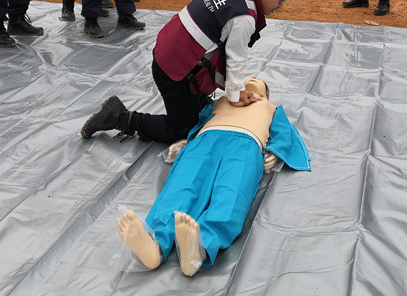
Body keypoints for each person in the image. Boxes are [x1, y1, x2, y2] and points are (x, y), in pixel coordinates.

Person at [115, 77, 310, 276]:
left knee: (232, 191)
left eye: (259, 81)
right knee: (182, 184)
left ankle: (200, 247)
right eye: (250, 77)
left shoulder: (272, 108)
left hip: (247, 144)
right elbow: (200, 122)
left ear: (266, 93)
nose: (253, 79)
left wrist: (276, 150)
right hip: (206, 139)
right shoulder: (223, 100)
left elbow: (284, 132)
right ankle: (156, 242)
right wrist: (187, 142)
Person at [79, 0, 293, 143]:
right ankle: (119, 117)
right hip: (173, 69)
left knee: (203, 113)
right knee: (183, 131)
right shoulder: (245, 16)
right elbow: (236, 58)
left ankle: (195, 100)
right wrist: (236, 95)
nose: (281, 6)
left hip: (168, 52)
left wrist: (234, 91)